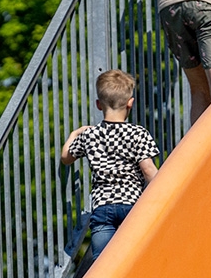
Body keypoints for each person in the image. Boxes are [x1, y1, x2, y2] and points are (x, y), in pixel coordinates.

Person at [60, 69, 159, 258]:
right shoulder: (138, 133)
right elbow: (149, 171)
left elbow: (66, 157)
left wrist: (75, 133)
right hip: (132, 204)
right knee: (135, 255)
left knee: (102, 262)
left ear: (99, 104)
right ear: (131, 103)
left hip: (102, 206)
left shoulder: (90, 135)